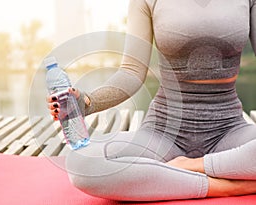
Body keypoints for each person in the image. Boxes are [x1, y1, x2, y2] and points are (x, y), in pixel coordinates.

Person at [47, 0, 256, 201]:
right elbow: (132, 72)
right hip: (163, 134)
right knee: (81, 163)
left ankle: (190, 168)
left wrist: (196, 165)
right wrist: (85, 102)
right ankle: (228, 186)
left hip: (229, 131)